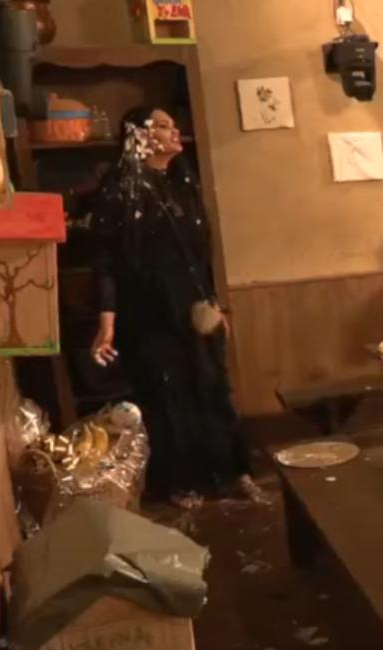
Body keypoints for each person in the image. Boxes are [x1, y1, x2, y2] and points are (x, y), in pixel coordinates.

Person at [90, 106, 261, 507]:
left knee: (214, 389)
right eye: (164, 126)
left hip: (196, 307)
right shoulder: (118, 189)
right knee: (168, 396)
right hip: (148, 312)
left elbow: (200, 253)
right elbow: (105, 263)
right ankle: (181, 482)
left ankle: (234, 473)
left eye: (173, 125)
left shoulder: (183, 180)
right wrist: (106, 322)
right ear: (138, 135)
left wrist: (214, 303)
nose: (174, 132)